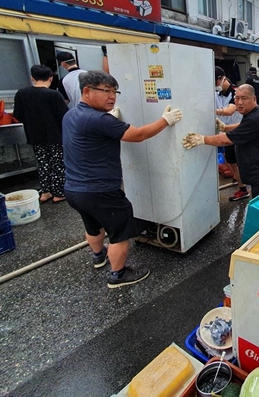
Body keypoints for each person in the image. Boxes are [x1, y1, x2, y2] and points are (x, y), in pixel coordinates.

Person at [62, 70, 183, 289]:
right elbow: (138, 135)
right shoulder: (99, 119)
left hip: (74, 189)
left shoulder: (71, 115)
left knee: (93, 225)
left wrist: (112, 121)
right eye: (105, 91)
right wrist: (165, 120)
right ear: (87, 91)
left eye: (114, 91)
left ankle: (99, 257)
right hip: (100, 190)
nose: (112, 96)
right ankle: (117, 275)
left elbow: (92, 136)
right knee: (119, 231)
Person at [182, 84, 259, 199]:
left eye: (244, 98)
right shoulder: (253, 112)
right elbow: (241, 126)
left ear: (254, 99)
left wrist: (201, 139)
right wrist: (225, 128)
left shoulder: (255, 118)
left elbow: (226, 140)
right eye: (237, 98)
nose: (239, 102)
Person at [13, 65, 68, 204]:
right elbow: (64, 116)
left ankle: (45, 192)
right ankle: (59, 193)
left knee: (42, 162)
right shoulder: (54, 94)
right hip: (54, 135)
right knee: (58, 163)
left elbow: (17, 115)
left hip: (35, 136)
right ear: (50, 78)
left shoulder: (21, 93)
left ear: (32, 78)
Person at [215, 66, 249, 201]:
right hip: (225, 132)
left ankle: (243, 188)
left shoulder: (235, 93)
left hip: (237, 132)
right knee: (229, 160)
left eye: (216, 82)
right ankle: (240, 179)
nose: (215, 86)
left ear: (222, 79)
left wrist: (214, 111)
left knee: (236, 161)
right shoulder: (216, 93)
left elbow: (229, 111)